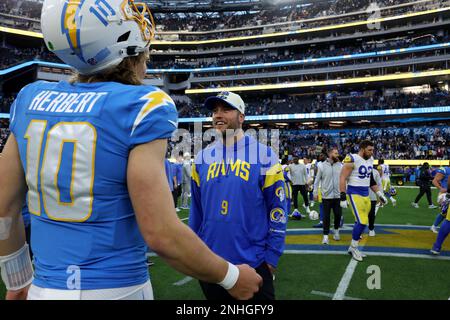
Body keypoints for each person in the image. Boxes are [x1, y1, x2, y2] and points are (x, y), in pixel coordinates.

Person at [0, 0, 262, 300]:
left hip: (45, 288)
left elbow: (4, 209)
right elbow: (161, 234)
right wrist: (231, 276)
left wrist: (18, 279)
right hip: (116, 287)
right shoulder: (143, 105)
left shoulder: (30, 99)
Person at [189, 91, 287, 300]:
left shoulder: (265, 155)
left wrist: (271, 257)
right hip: (212, 265)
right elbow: (196, 213)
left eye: (226, 109)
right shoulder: (201, 158)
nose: (218, 115)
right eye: (215, 110)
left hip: (253, 263)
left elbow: (278, 210)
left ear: (241, 117)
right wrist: (196, 253)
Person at [339, 140, 387, 262]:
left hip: (366, 194)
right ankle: (354, 247)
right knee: (362, 221)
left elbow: (370, 179)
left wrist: (379, 193)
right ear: (362, 148)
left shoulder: (370, 160)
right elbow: (343, 177)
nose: (372, 152)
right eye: (369, 150)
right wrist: (343, 195)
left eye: (372, 150)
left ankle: (352, 247)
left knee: (360, 222)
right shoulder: (352, 158)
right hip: (354, 193)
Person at [313, 148, 342, 244]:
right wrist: (315, 192)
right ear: (330, 154)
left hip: (338, 196)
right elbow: (317, 181)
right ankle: (325, 236)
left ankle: (336, 230)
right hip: (326, 196)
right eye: (335, 153)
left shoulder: (340, 165)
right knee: (326, 217)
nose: (337, 155)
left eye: (338, 153)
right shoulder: (321, 166)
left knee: (338, 215)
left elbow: (343, 180)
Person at [430, 163, 450, 233]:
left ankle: (434, 226)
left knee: (445, 213)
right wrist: (441, 188)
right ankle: (434, 226)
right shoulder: (445, 170)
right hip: (445, 194)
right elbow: (434, 181)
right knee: (445, 212)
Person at [368, 166, 383, 237]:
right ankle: (359, 231)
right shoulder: (358, 169)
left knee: (371, 215)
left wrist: (380, 196)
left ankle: (371, 228)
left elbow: (379, 185)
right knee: (360, 215)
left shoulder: (375, 172)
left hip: (372, 197)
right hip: (360, 197)